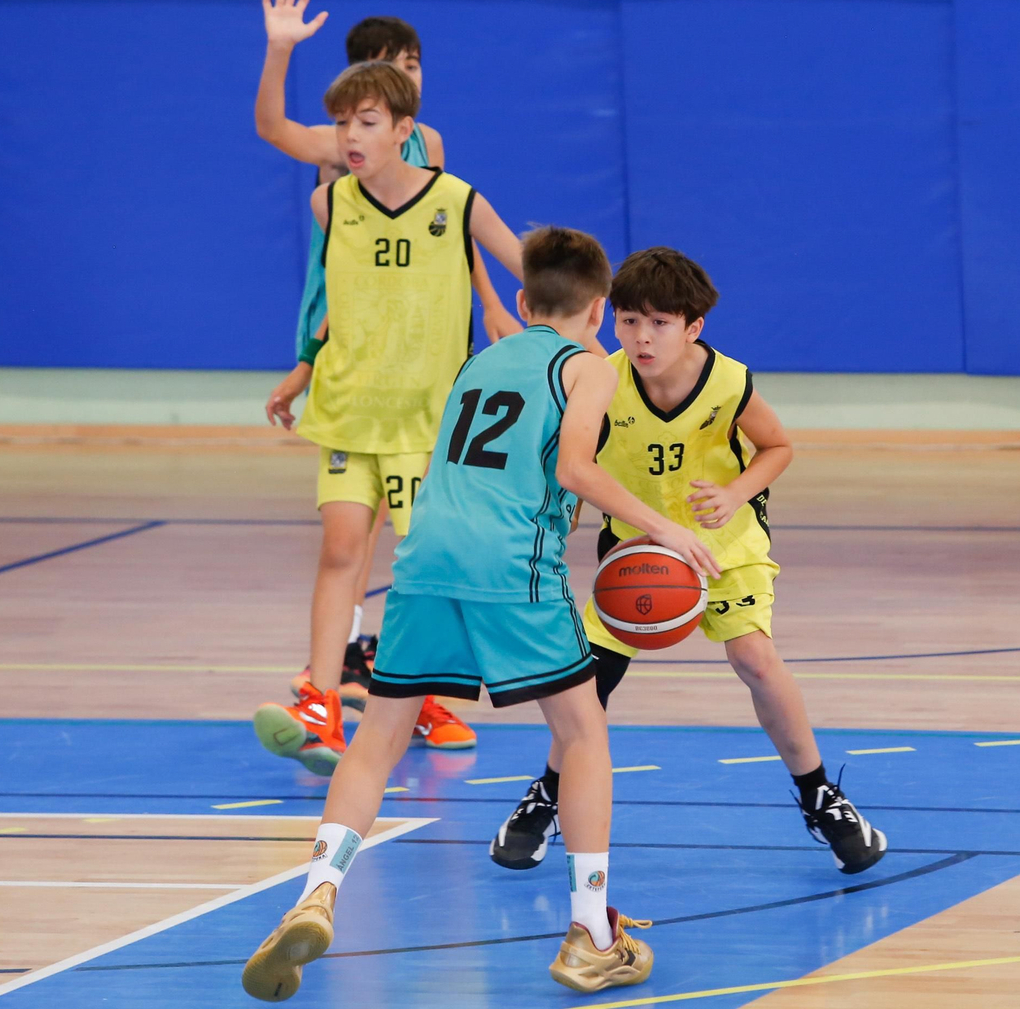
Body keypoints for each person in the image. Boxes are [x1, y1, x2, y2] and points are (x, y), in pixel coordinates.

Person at [241, 227, 721, 1001]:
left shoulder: (480, 360)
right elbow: (574, 469)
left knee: (378, 738)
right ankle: (592, 933)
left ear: (523, 302)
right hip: (510, 562)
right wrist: (665, 528)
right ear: (600, 310)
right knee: (582, 732)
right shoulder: (588, 367)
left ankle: (316, 893)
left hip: (424, 559)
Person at [487, 247, 889, 875]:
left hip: (724, 545)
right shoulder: (600, 381)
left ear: (692, 327)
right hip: (637, 550)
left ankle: (821, 795)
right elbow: (577, 467)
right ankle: (548, 796)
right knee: (590, 684)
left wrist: (735, 493)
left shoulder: (728, 382)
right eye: (628, 322)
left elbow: (778, 447)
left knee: (754, 659)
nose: (642, 338)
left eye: (659, 323)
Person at [255, 0, 515, 749]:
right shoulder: (332, 185)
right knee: (345, 545)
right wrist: (309, 358)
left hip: (419, 381)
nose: (409, 74)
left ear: (401, 122)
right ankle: (325, 692)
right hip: (351, 355)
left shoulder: (440, 167)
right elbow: (273, 128)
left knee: (419, 560)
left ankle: (412, 688)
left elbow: (458, 236)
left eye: (413, 63)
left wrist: (495, 304)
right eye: (392, 64)